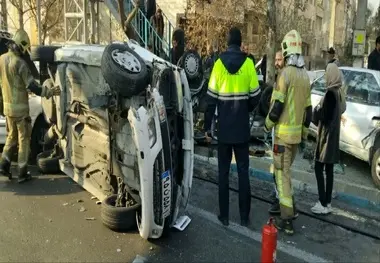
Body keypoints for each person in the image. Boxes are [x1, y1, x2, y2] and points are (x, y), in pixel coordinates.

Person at [204, 27, 261, 227]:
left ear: (227, 43)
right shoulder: (248, 65)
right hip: (242, 130)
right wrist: (246, 107)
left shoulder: (218, 65)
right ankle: (244, 217)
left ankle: (225, 216)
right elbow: (256, 98)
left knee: (223, 173)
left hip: (224, 131)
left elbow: (210, 100)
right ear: (240, 42)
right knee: (243, 173)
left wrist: (207, 128)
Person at [264, 30, 312, 235]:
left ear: (286, 51)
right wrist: (303, 134)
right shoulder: (305, 76)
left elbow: (277, 108)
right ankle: (290, 209)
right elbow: (308, 112)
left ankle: (287, 219)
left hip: (282, 137)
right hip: (294, 139)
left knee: (282, 177)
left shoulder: (285, 75)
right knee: (287, 174)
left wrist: (266, 125)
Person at [0, 29, 60, 183]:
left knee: (11, 137)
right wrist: (50, 91)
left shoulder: (1, 59)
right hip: (20, 109)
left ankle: (3, 165)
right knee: (23, 140)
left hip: (7, 108)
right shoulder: (20, 64)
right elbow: (33, 87)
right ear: (20, 46)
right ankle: (22, 172)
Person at [311, 63, 343, 215]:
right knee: (329, 170)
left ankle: (322, 202)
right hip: (333, 137)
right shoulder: (338, 92)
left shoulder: (330, 94)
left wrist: (317, 109)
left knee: (319, 168)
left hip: (326, 139)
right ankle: (327, 202)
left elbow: (323, 117)